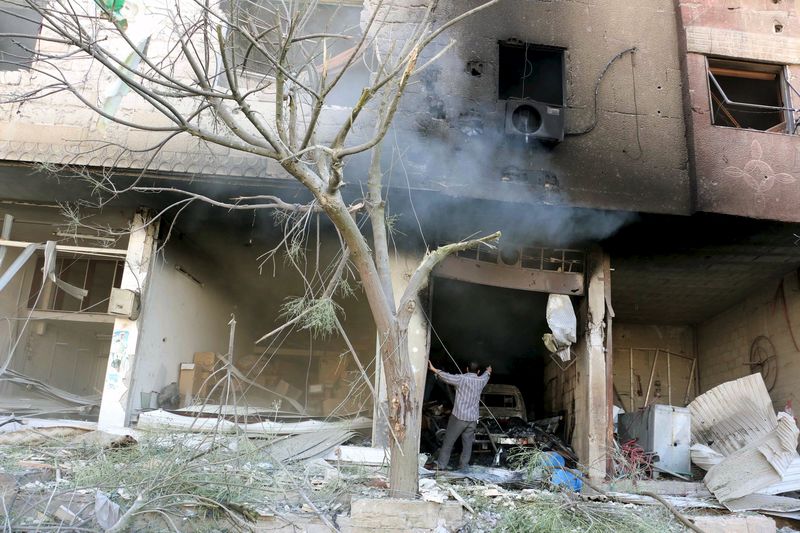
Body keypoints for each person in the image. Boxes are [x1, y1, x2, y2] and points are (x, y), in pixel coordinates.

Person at [428, 360, 492, 470]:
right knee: (467, 445)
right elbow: (487, 375)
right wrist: (488, 370)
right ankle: (463, 466)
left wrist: (433, 369)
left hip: (458, 417)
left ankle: (441, 465)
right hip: (472, 419)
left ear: (466, 369)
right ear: (478, 371)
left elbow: (446, 377)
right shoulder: (481, 380)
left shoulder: (461, 378)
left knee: (448, 442)